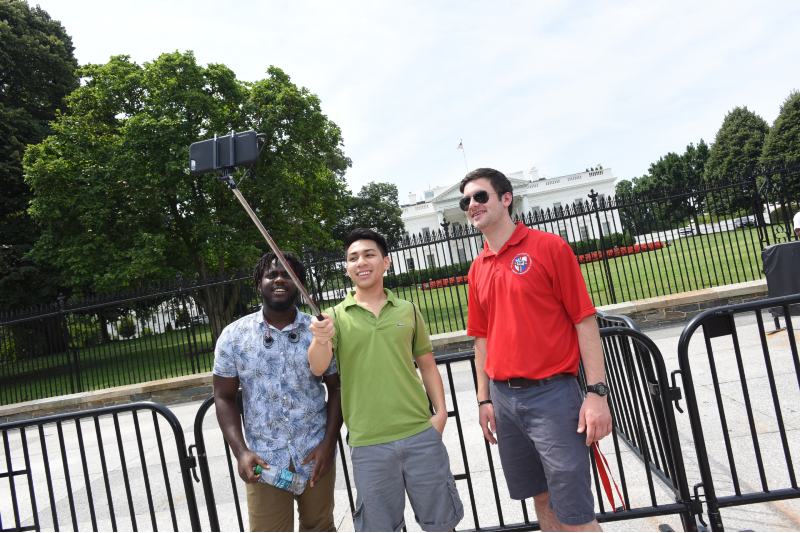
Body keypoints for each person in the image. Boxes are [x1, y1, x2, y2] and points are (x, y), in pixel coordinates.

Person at [462, 168, 612, 532]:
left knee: (574, 509)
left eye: (480, 196)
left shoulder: (549, 247)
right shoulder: (477, 268)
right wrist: (484, 400)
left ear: (505, 198)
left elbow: (583, 320)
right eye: (465, 201)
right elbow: (480, 339)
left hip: (552, 395)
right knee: (541, 499)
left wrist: (596, 394)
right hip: (503, 399)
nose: (472, 205)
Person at [308, 228, 464, 533]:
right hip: (369, 445)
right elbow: (317, 367)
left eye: (369, 254)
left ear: (386, 262)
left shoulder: (408, 309)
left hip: (420, 434)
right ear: (347, 268)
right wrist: (321, 338)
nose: (361, 262)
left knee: (442, 524)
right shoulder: (333, 317)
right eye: (353, 258)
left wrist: (441, 414)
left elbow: (428, 366)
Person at [213, 251, 343, 532]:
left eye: (288, 274)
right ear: (259, 283)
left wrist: (328, 443)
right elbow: (223, 397)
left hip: (314, 453)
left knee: (321, 527)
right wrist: (241, 452)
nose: (280, 279)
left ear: (300, 284)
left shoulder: (318, 331)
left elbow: (336, 389)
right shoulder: (234, 336)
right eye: (272, 274)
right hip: (265, 461)